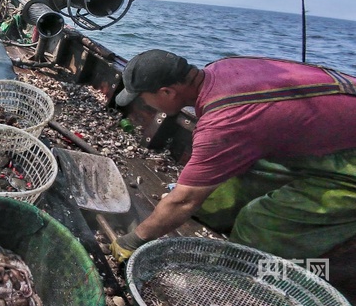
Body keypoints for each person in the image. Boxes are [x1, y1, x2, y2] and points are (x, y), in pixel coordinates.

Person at [110, 49, 356, 263]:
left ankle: (262, 274)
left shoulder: (222, 122)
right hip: (325, 139)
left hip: (347, 160)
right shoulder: (222, 67)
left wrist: (133, 240)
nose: (147, 106)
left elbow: (184, 201)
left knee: (258, 224)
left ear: (166, 92)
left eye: (144, 98)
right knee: (213, 199)